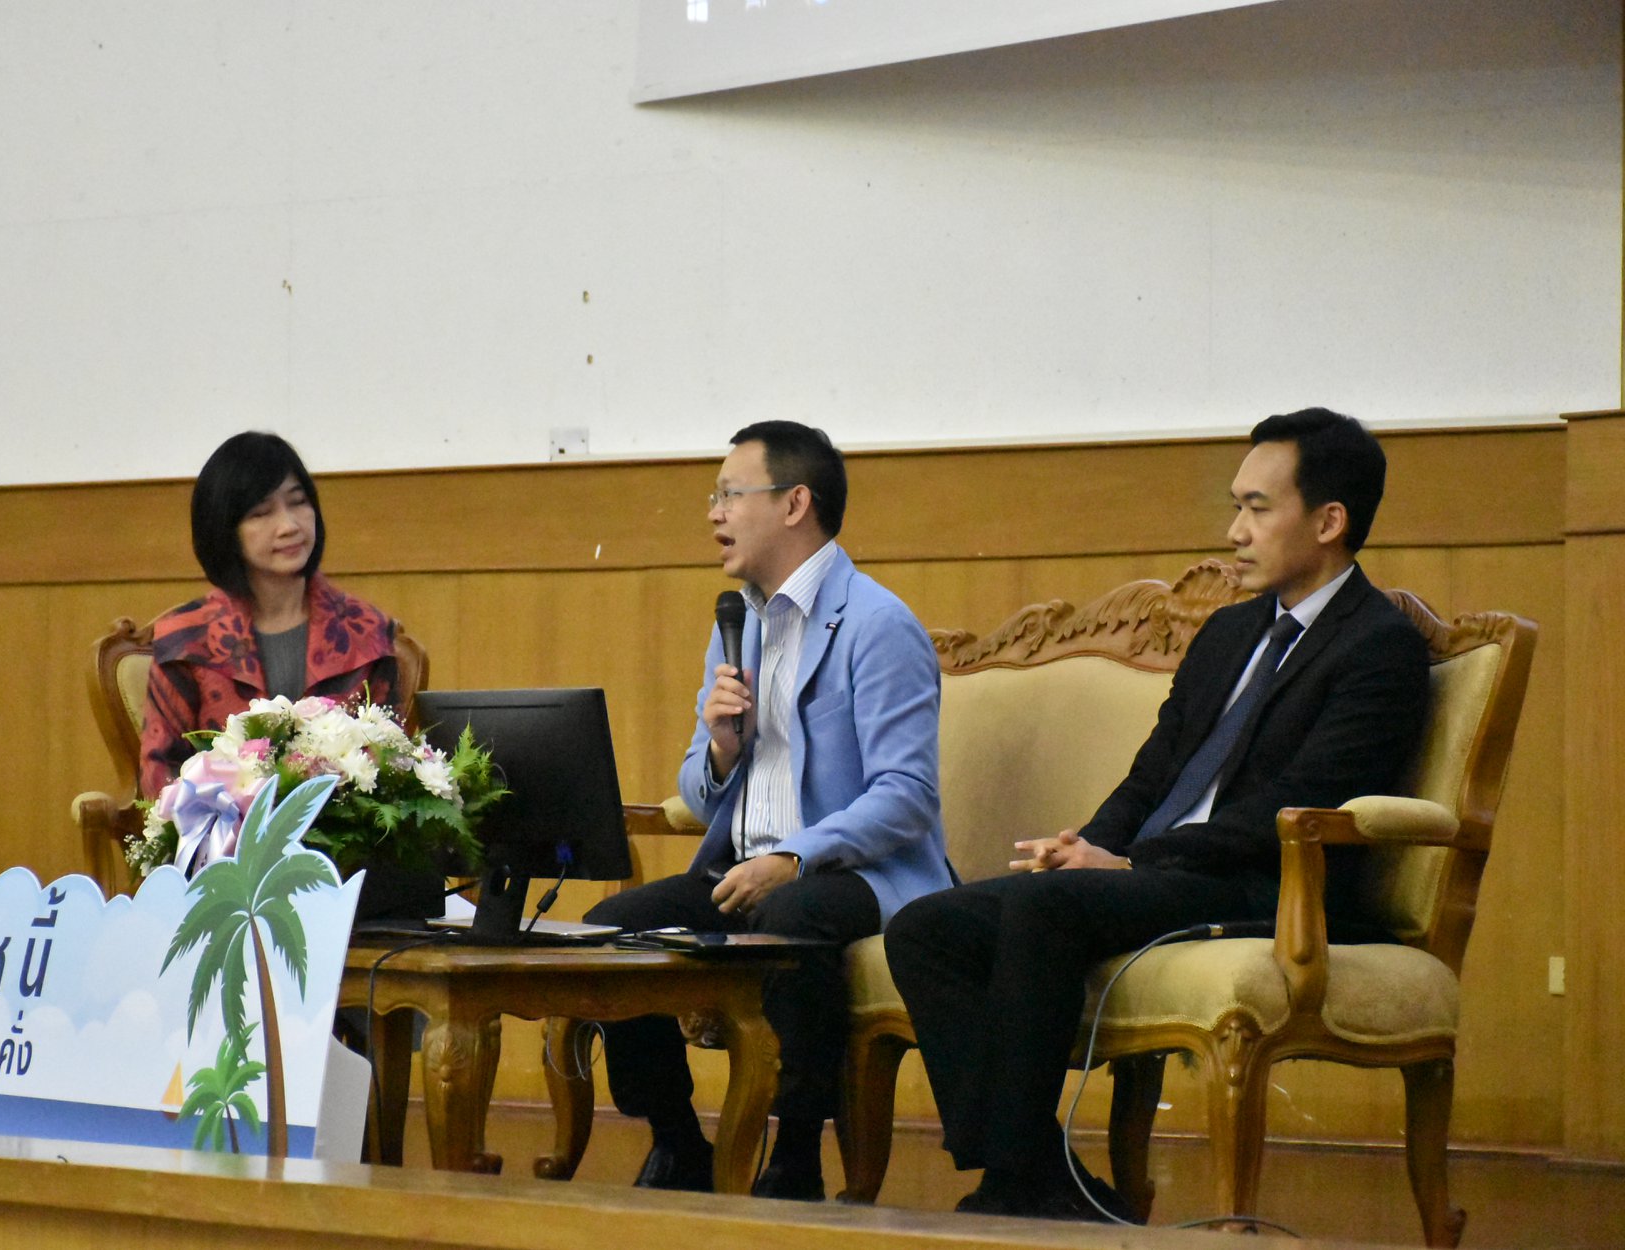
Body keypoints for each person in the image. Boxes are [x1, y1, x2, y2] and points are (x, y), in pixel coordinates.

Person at [883, 408, 1431, 1222]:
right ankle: (1037, 1173)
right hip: (1165, 873)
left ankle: (1020, 1182)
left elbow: (1300, 804)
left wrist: (1135, 862)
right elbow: (1153, 773)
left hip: (1268, 887)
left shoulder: (1379, 645)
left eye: (1257, 508)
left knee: (1043, 909)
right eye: (1236, 506)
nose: (1234, 530)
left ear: (1328, 522)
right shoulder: (1230, 632)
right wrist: (1089, 844)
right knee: (926, 928)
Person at [584, 420, 954, 1201]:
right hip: (742, 866)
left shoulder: (877, 624)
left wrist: (795, 857)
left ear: (794, 504)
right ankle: (677, 1140)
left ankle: (797, 1151)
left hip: (860, 874)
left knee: (792, 914)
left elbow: (906, 795)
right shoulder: (739, 623)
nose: (713, 513)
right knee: (611, 931)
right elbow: (696, 791)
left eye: (729, 494)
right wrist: (721, 752)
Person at [138, 431, 401, 798]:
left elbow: (391, 763)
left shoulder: (366, 633)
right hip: (220, 829)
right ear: (224, 529)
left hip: (344, 828)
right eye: (261, 513)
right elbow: (159, 779)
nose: (289, 525)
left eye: (298, 502)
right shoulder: (186, 642)